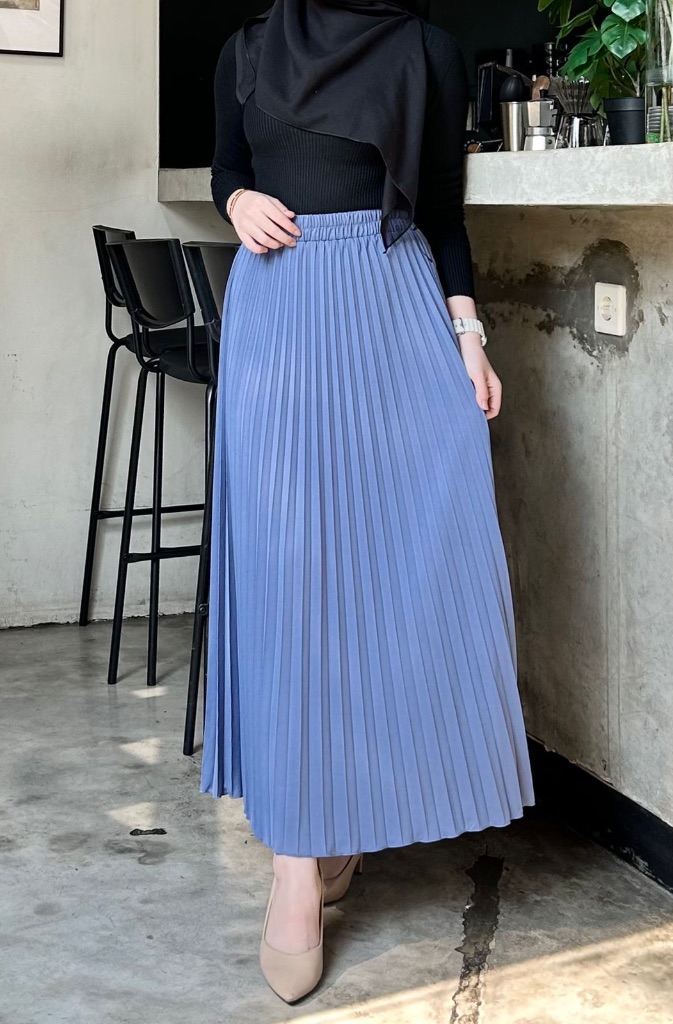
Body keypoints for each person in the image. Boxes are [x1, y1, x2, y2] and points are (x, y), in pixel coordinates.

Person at [201, 0, 536, 1003]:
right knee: (290, 582)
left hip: (390, 315)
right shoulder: (247, 49)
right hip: (280, 313)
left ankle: (338, 810)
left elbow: (440, 211)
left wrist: (470, 338)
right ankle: (294, 862)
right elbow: (225, 167)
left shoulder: (425, 50)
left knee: (393, 566)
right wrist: (235, 202)